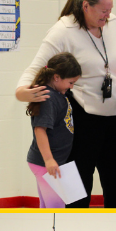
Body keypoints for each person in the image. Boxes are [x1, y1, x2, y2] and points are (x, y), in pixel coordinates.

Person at [15, 0, 116, 208]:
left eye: (110, 9)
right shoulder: (64, 30)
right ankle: (75, 230)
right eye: (104, 10)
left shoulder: (112, 23)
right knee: (80, 184)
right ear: (86, 6)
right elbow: (36, 67)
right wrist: (22, 91)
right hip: (84, 117)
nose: (109, 15)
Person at [25, 52, 82, 208]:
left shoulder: (57, 94)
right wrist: (49, 160)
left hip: (51, 162)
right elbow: (40, 130)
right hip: (45, 163)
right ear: (56, 77)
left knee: (48, 206)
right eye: (70, 83)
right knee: (56, 209)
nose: (71, 87)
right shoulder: (48, 98)